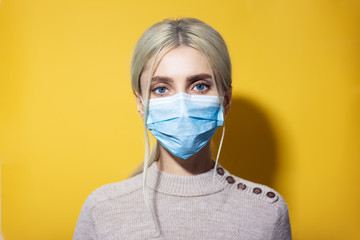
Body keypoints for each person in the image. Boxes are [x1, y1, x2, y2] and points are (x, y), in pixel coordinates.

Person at [73, 17, 292, 240]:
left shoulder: (267, 211)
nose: (182, 105)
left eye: (199, 86)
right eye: (161, 89)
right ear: (140, 103)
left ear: (225, 99)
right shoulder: (101, 209)